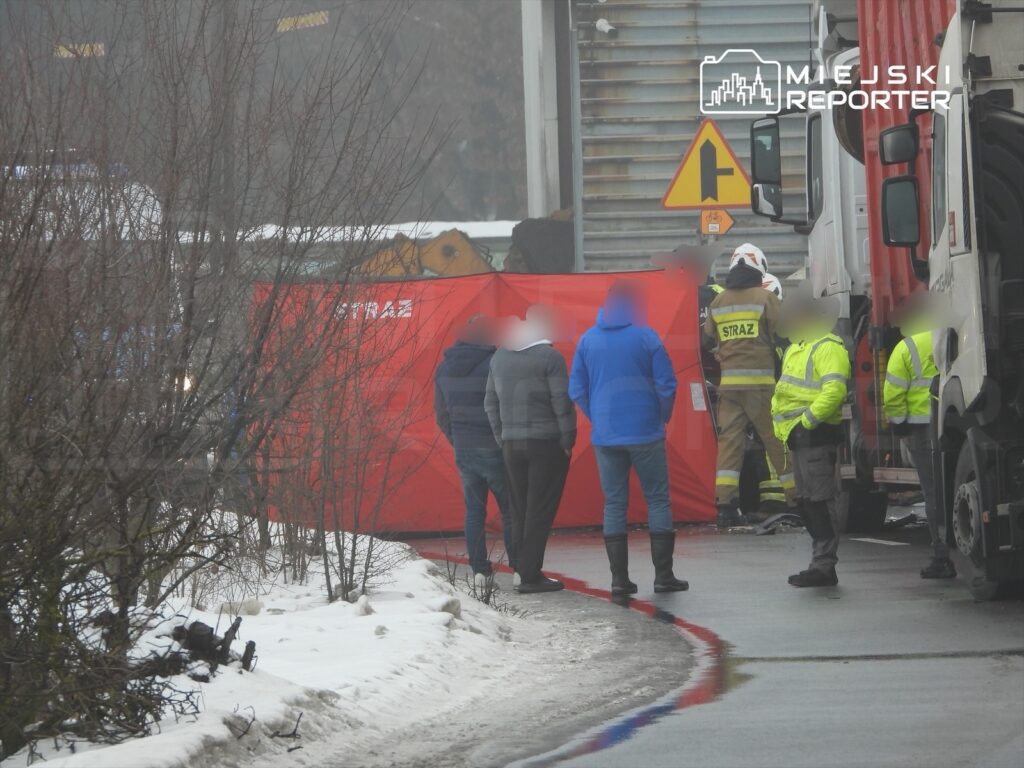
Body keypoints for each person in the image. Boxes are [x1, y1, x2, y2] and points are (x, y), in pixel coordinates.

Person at [569, 281, 688, 595]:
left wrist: (599, 418)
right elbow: (667, 385)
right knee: (658, 499)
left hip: (606, 437)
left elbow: (576, 390)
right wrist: (661, 415)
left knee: (614, 503)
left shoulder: (587, 340)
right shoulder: (647, 337)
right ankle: (663, 576)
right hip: (646, 432)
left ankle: (619, 580)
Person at [484, 306, 576, 593]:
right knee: (540, 509)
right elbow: (562, 403)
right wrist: (567, 441)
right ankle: (529, 575)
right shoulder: (550, 357)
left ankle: (523, 569)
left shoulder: (500, 356)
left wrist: (503, 437)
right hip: (546, 443)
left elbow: (490, 403)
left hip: (512, 444)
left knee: (519, 508)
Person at [703, 243, 794, 528]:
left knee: (729, 444)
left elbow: (707, 341)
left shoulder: (718, 303)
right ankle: (797, 498)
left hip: (729, 388)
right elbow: (783, 334)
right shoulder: (766, 298)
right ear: (759, 268)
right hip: (761, 386)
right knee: (775, 440)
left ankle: (725, 505)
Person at [772, 294, 850, 587]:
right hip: (798, 436)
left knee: (820, 502)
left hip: (814, 434)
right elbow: (784, 392)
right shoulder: (797, 347)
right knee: (807, 503)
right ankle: (819, 563)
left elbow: (834, 390)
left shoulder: (828, 347)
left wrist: (807, 422)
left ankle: (824, 566)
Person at [435, 316, 514, 589]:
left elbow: (441, 414)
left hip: (464, 448)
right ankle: (519, 567)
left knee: (474, 511)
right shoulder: (494, 364)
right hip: (494, 446)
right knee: (509, 510)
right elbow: (505, 405)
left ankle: (480, 571)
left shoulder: (444, 369)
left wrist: (456, 439)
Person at [883, 299, 955, 579]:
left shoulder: (907, 346)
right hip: (949, 422)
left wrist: (898, 422)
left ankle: (941, 556)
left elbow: (893, 393)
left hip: (920, 428)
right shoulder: (948, 335)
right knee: (947, 486)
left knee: (933, 492)